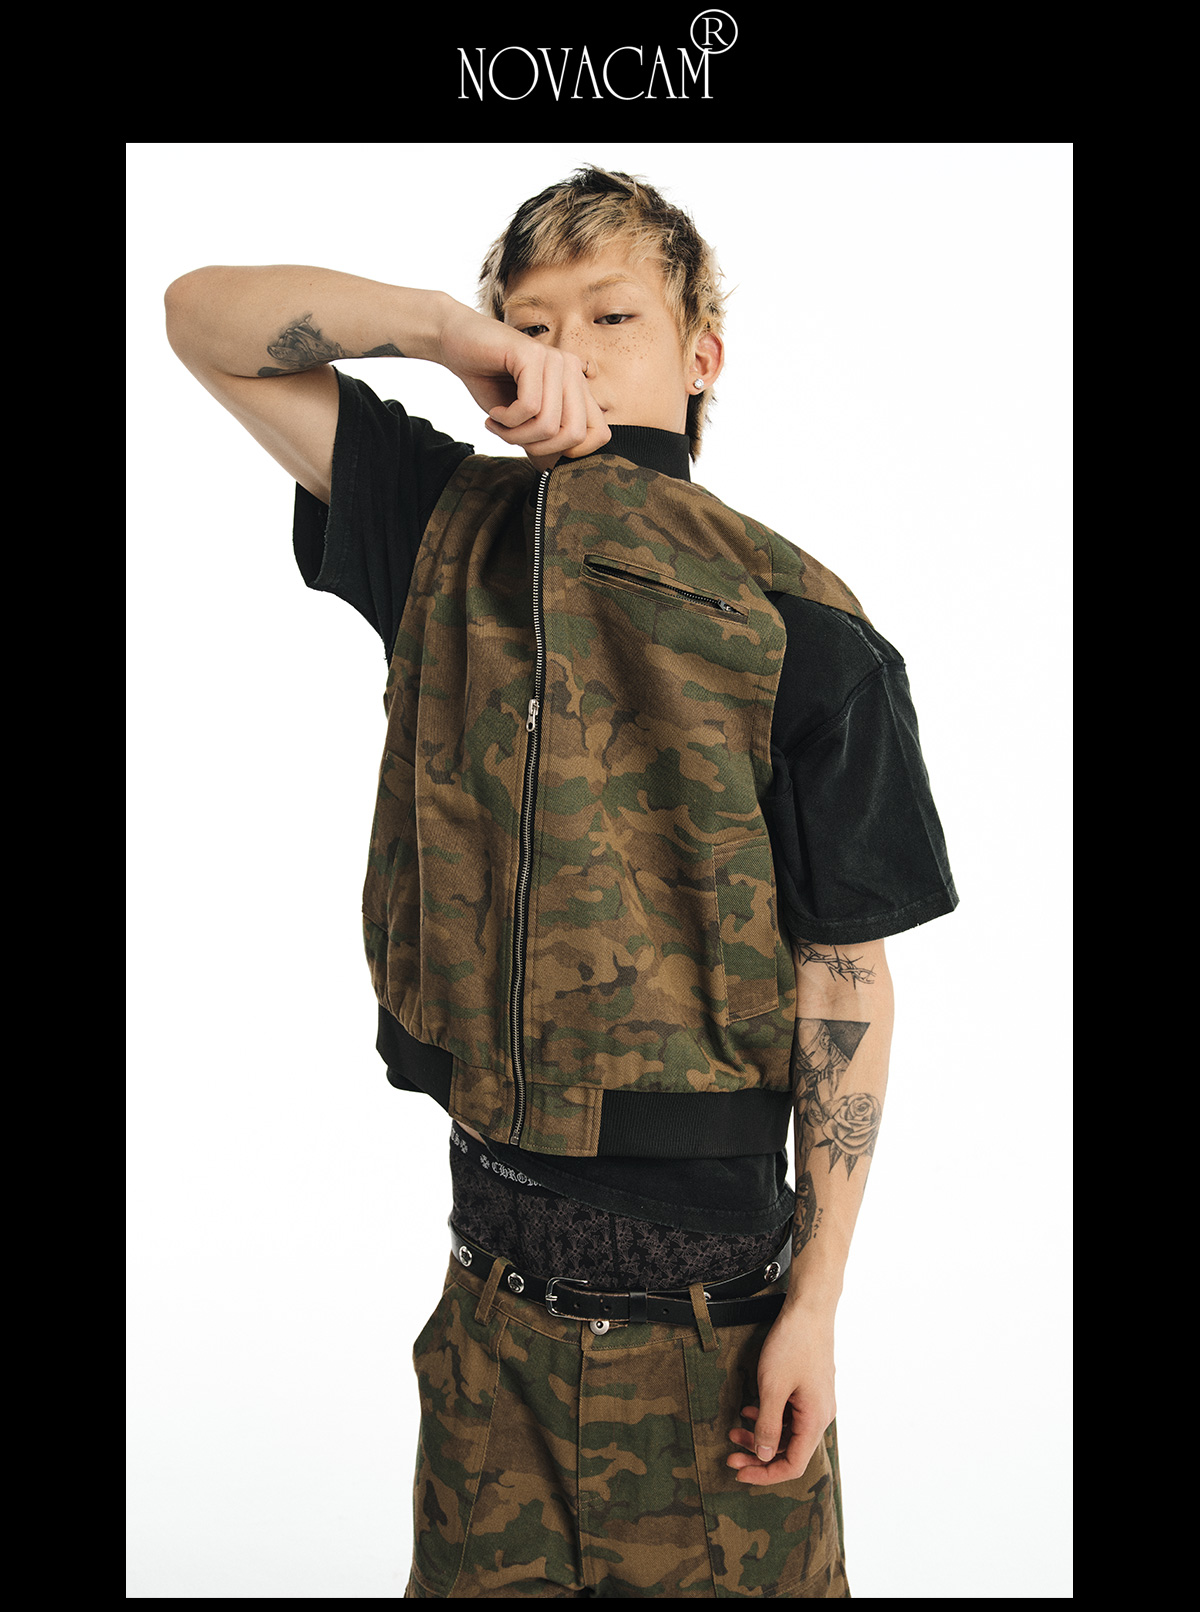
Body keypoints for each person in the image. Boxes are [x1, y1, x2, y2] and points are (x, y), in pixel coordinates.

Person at [165, 164, 958, 1598]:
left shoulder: (800, 624)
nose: (567, 349)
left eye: (613, 315)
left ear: (702, 356)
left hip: (717, 1344)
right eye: (532, 321)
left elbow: (847, 976)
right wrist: (439, 331)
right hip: (491, 1338)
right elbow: (199, 318)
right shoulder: (439, 533)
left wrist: (817, 1306)